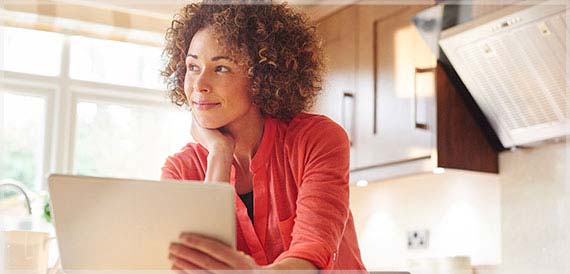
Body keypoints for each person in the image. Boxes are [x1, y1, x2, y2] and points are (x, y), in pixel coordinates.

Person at [160, 1, 366, 272]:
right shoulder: (180, 170)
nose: (199, 85)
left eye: (221, 68)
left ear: (262, 76)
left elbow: (311, 258)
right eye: (192, 67)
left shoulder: (317, 139)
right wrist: (219, 154)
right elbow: (194, 266)